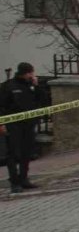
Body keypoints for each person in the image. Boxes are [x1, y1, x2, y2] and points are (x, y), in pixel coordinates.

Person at [0, 62, 43, 194]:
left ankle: (24, 178)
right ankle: (14, 182)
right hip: (13, 125)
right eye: (30, 73)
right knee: (12, 153)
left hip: (29, 124)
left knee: (27, 152)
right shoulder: (8, 86)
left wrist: (37, 86)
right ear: (24, 73)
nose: (32, 75)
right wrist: (2, 124)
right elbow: (1, 106)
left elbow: (42, 100)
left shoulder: (30, 85)